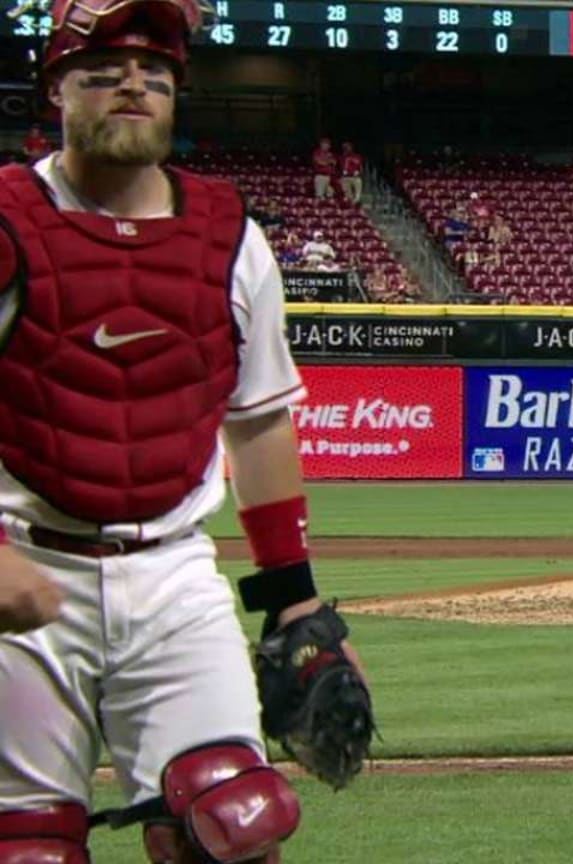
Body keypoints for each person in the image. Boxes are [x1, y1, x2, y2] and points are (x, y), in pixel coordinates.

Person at [0, 1, 366, 859]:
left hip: (173, 573)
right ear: (57, 90)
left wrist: (294, 598)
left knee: (235, 825)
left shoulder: (229, 233)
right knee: (28, 845)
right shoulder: (9, 219)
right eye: (103, 72)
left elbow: (260, 420)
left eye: (154, 75)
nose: (133, 85)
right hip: (26, 558)